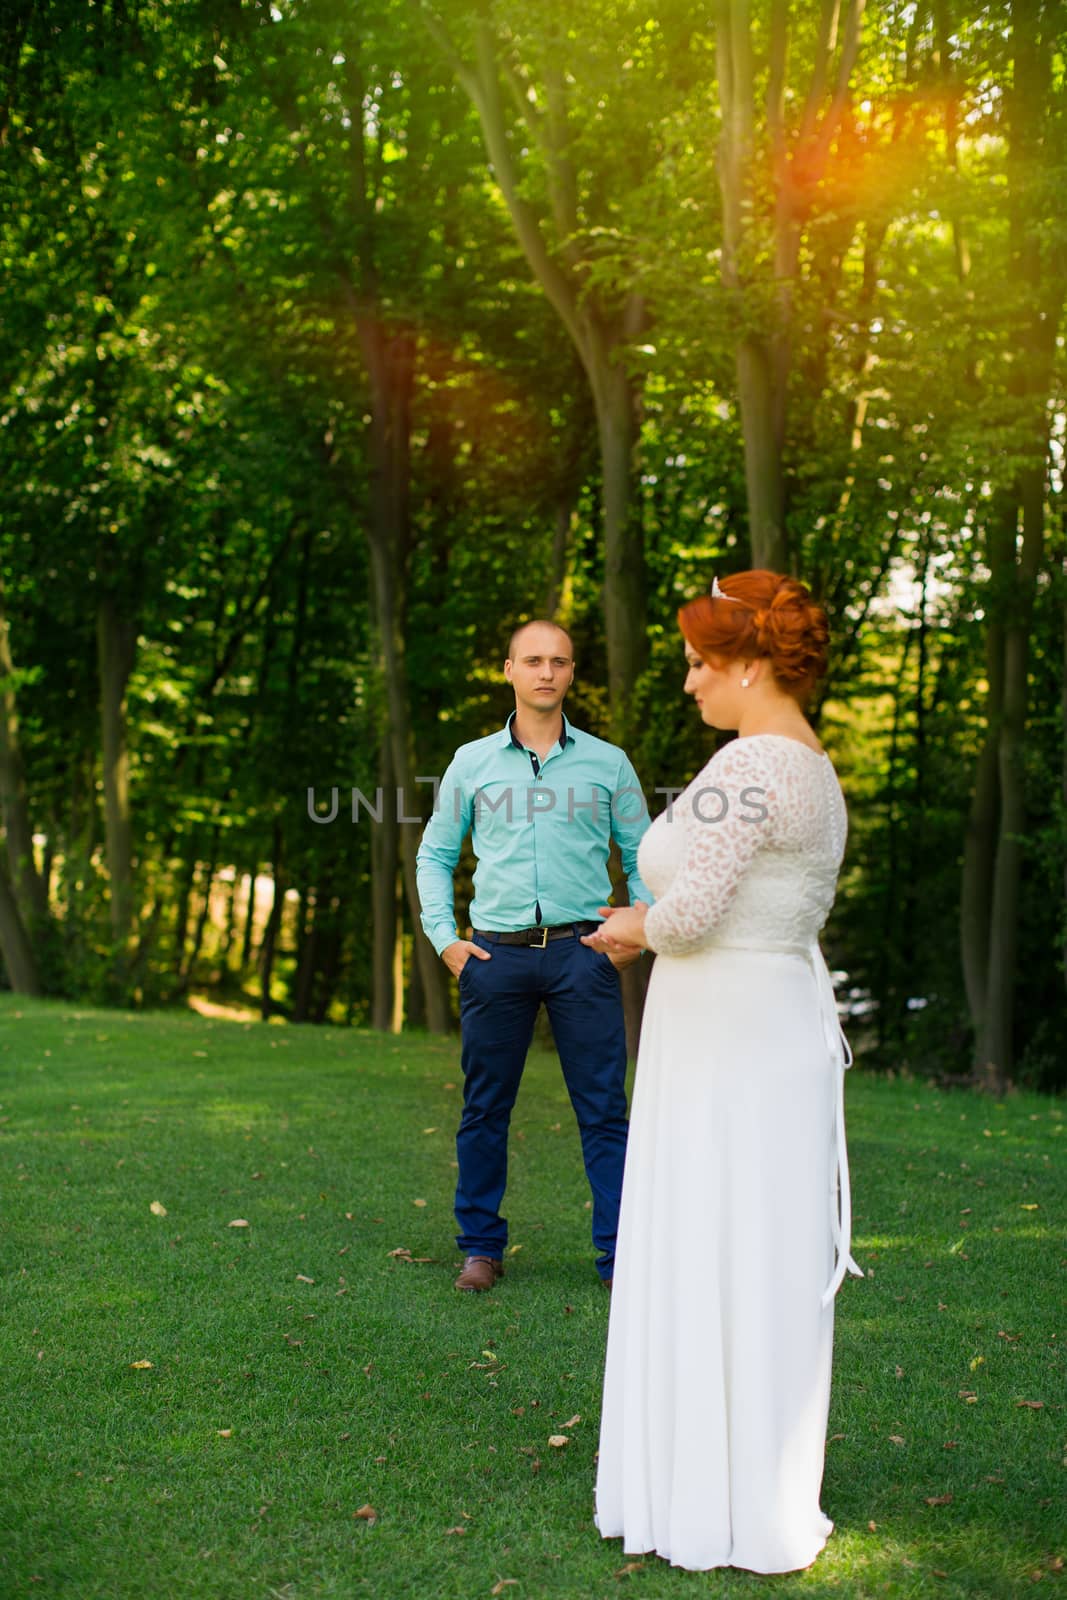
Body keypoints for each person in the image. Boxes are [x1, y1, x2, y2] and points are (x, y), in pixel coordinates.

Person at [584, 571, 861, 1574]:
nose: (691, 682)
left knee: (719, 1237)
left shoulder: (756, 766)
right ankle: (734, 1482)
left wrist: (629, 926)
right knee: (746, 1246)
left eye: (701, 663)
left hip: (730, 1035)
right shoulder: (806, 766)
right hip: (752, 1020)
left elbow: (691, 911)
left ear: (746, 662)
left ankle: (713, 1495)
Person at [416, 620, 651, 1293]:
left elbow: (642, 857)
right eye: (532, 661)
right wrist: (445, 939)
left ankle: (618, 1256)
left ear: (572, 673)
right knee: (485, 1107)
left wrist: (633, 933)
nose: (546, 672)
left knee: (604, 1109)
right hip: (495, 958)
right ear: (509, 670)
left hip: (585, 954)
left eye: (559, 662)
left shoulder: (607, 763)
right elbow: (434, 854)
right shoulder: (472, 761)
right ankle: (480, 1247)